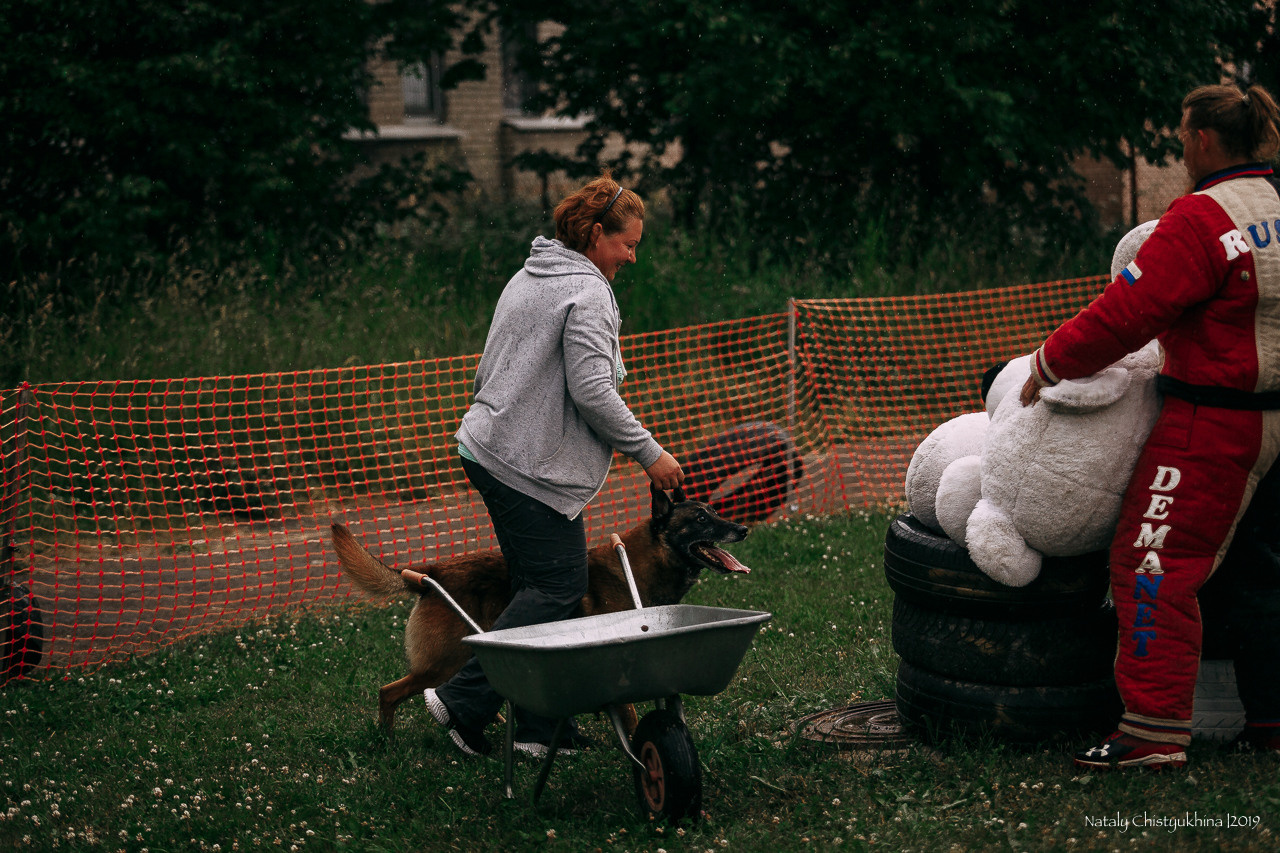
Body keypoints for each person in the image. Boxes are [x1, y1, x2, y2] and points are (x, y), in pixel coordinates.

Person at [1021, 83, 1280, 770]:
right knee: (1265, 570)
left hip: (1218, 422)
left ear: (1201, 140)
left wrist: (1050, 362)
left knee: (1151, 560)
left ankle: (1153, 729)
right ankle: (1273, 719)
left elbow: (1125, 313)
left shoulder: (1199, 219)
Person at [424, 173, 685, 757]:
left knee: (540, 587)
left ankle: (542, 728)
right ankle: (463, 701)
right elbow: (594, 391)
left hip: (492, 448)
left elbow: (493, 363)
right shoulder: (587, 293)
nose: (632, 257)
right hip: (522, 465)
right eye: (627, 243)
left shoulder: (532, 274)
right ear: (596, 234)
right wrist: (651, 454)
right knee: (560, 586)